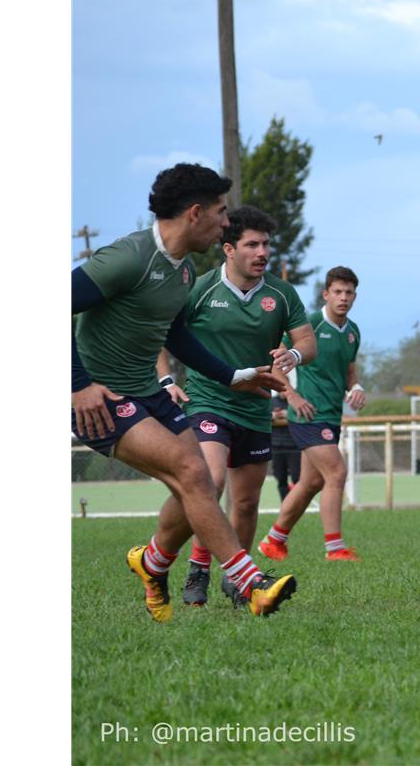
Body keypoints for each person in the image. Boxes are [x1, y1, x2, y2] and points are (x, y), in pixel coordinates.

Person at [71, 163, 296, 621]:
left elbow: (176, 336)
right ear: (195, 213)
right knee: (194, 472)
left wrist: (234, 376)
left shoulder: (185, 271)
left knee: (198, 481)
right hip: (102, 398)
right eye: (221, 212)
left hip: (146, 392)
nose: (226, 223)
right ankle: (252, 584)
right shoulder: (127, 259)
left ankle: (152, 562)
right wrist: (78, 386)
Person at [155, 205, 316, 606]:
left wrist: (293, 355)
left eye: (266, 244)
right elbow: (159, 330)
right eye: (252, 245)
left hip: (255, 408)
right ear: (228, 248)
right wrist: (166, 380)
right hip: (207, 400)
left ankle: (239, 582)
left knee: (245, 503)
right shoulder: (201, 288)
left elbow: (307, 341)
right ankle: (196, 568)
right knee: (210, 482)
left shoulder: (281, 294)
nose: (262, 253)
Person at [258, 267, 366, 562]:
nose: (343, 298)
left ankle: (273, 541)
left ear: (355, 296)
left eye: (349, 292)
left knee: (311, 483)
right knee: (337, 473)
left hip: (331, 415)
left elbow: (349, 372)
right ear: (326, 294)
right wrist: (292, 396)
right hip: (309, 416)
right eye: (338, 292)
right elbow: (275, 363)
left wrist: (356, 387)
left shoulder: (353, 332)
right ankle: (335, 548)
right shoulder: (311, 325)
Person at [270, 390, 302, 500]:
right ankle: (285, 504)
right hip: (276, 446)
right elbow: (262, 416)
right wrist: (272, 415)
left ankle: (297, 504)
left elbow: (304, 414)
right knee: (280, 479)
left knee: (297, 478)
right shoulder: (271, 401)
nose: (283, 391)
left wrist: (289, 414)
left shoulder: (296, 401)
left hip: (294, 446)